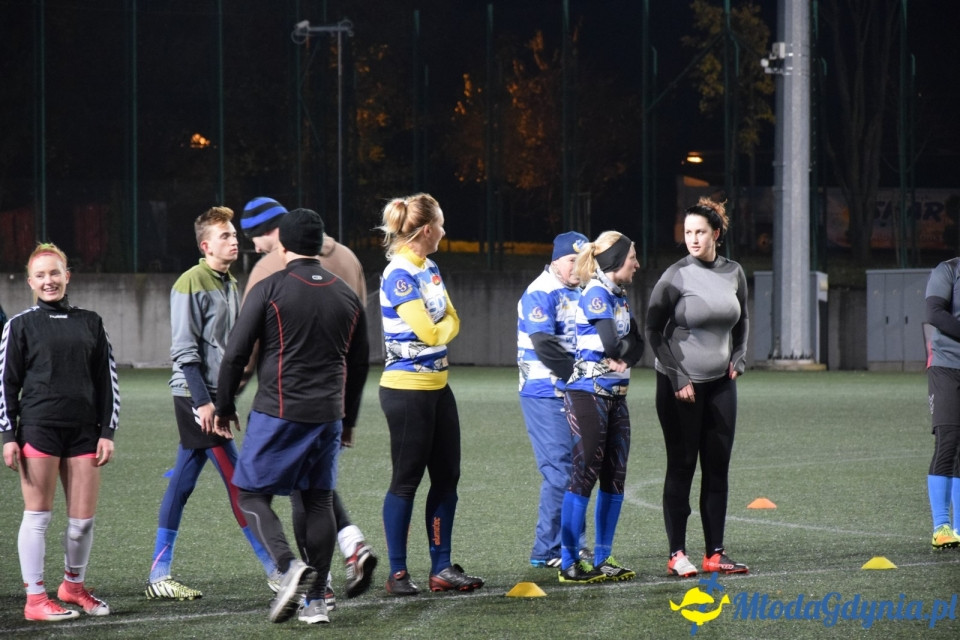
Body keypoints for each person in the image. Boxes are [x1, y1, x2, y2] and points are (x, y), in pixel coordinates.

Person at [214, 208, 370, 625]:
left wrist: (224, 404)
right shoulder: (346, 295)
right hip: (328, 417)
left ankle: (288, 567)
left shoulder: (270, 287)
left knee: (249, 494)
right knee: (316, 499)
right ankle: (316, 601)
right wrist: (348, 419)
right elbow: (359, 365)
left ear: (282, 246)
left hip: (279, 411)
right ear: (319, 246)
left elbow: (236, 352)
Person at [145, 206, 278, 601]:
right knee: (241, 482)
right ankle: (275, 569)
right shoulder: (191, 282)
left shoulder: (228, 282)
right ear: (205, 245)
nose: (234, 240)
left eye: (234, 234)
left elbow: (226, 351)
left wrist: (226, 401)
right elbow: (184, 352)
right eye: (224, 235)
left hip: (213, 400)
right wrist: (206, 405)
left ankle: (158, 574)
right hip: (194, 398)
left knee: (183, 485)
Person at [1, 243, 120, 621]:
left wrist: (108, 432)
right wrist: (7, 435)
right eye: (41, 275)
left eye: (55, 273)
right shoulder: (19, 325)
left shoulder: (91, 321)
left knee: (82, 521)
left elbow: (107, 381)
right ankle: (35, 599)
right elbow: (6, 384)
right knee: (38, 516)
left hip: (85, 431)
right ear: (30, 282)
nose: (49, 280)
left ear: (67, 275)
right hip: (39, 429)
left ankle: (72, 586)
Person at [377, 193, 483, 596]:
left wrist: (444, 330)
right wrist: (443, 330)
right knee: (405, 482)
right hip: (406, 393)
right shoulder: (399, 274)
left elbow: (452, 320)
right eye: (440, 224)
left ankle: (441, 567)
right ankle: (398, 573)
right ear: (425, 230)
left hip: (439, 388)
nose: (444, 230)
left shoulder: (430, 267)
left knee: (447, 478)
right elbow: (433, 331)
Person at [646, 197, 749, 578]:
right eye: (687, 232)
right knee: (683, 466)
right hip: (680, 385)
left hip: (722, 384)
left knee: (718, 468)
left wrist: (739, 356)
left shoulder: (734, 272)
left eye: (700, 232)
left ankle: (715, 553)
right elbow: (653, 330)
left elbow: (743, 320)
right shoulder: (675, 275)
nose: (692, 238)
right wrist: (677, 376)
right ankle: (677, 553)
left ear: (716, 234)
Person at [557, 231, 643, 584]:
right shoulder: (595, 293)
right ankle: (568, 562)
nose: (637, 264)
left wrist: (623, 352)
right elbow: (611, 343)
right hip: (588, 394)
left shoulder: (619, 296)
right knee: (584, 475)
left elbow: (638, 345)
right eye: (632, 257)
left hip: (615, 397)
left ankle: (604, 557)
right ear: (614, 261)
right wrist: (621, 352)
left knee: (615, 477)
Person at [517, 231, 592, 569]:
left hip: (573, 391)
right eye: (571, 260)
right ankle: (550, 549)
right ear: (556, 259)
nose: (578, 267)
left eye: (583, 260)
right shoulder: (540, 292)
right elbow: (544, 345)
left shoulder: (582, 291)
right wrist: (578, 375)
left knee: (579, 469)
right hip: (544, 391)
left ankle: (567, 546)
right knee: (562, 470)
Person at [923, 257, 960, 549]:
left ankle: (959, 526)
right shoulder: (948, 269)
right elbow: (933, 313)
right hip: (946, 366)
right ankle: (941, 527)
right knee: (948, 440)